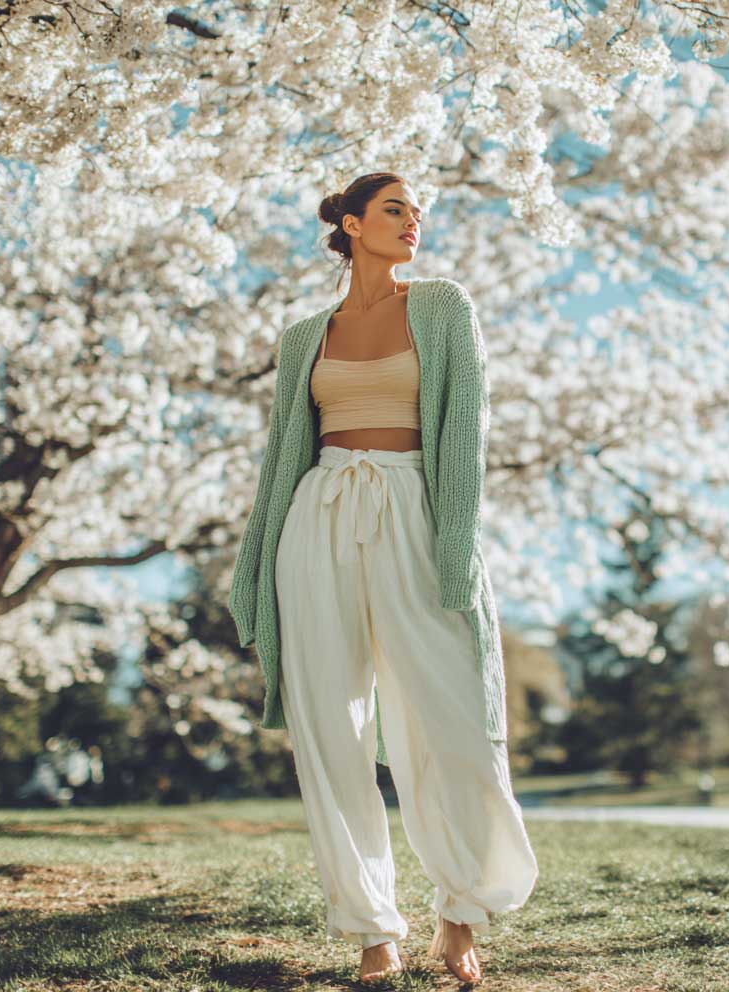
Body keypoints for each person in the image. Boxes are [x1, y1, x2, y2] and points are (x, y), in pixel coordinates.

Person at [227, 172, 538, 983]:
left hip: (412, 512)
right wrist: (255, 560)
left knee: (452, 718)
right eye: (397, 210)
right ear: (354, 224)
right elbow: (281, 460)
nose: (414, 224)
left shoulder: (441, 307)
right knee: (332, 730)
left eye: (418, 214)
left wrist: (457, 546)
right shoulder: (306, 336)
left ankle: (460, 911)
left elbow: (464, 433)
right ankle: (372, 930)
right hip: (318, 518)